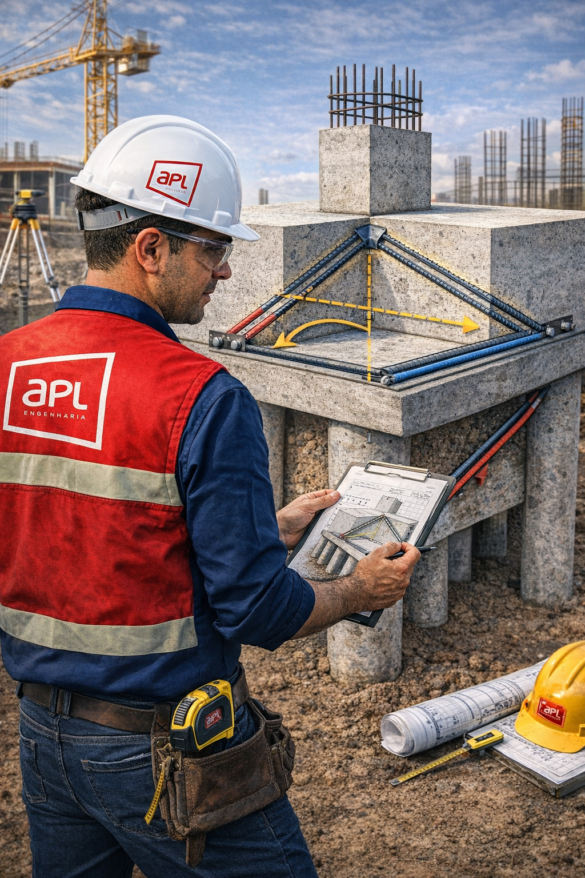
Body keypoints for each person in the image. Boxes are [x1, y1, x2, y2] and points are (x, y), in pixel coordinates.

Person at [0, 115, 420, 878]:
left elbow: (67, 523)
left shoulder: (8, 363)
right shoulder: (200, 396)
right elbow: (256, 611)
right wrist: (359, 589)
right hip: (164, 752)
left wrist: (260, 529)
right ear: (150, 248)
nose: (224, 272)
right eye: (213, 249)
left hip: (42, 739)